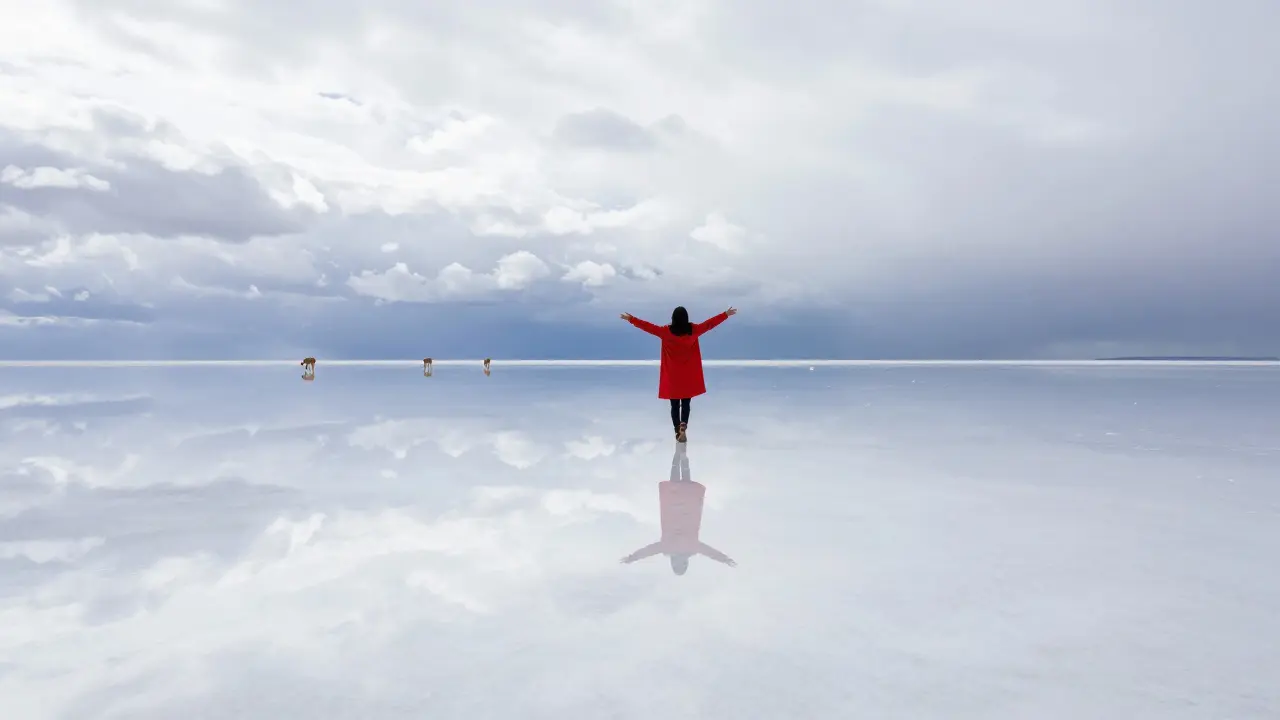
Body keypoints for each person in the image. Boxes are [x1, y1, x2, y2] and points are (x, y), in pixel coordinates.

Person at [620, 305, 736, 441]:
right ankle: (683, 425)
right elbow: (709, 324)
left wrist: (631, 319)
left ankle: (677, 430)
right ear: (686, 318)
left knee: (674, 405)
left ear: (673, 318)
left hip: (672, 377)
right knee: (686, 404)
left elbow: (648, 327)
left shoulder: (665, 332)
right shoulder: (694, 330)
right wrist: (725, 314)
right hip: (688, 376)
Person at [620, 443, 736, 575]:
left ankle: (683, 454)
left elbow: (709, 552)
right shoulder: (668, 548)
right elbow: (649, 550)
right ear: (674, 563)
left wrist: (724, 559)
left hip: (689, 507)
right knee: (674, 480)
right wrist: (632, 558)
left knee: (686, 482)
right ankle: (678, 452)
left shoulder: (692, 547)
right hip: (672, 507)